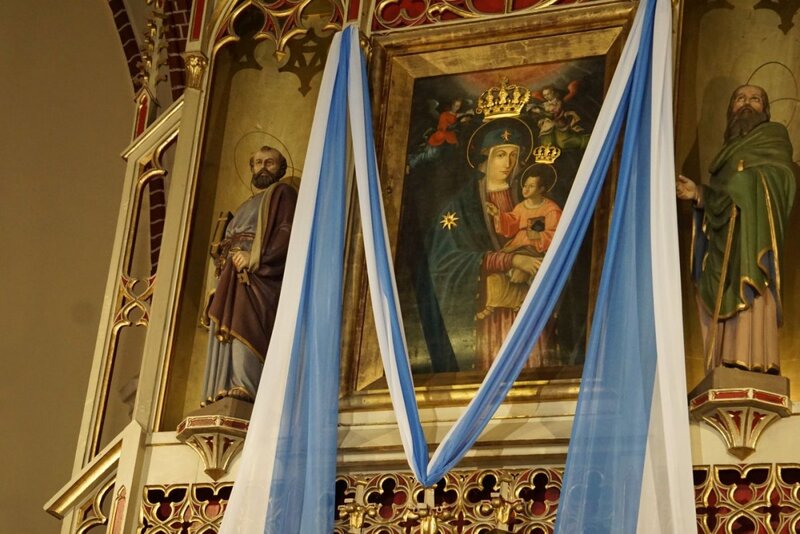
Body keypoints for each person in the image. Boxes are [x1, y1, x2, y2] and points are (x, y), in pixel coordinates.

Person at [676, 84, 797, 373]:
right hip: (724, 239)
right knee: (716, 286)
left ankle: (753, 361)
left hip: (755, 236)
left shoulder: (774, 136)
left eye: (755, 99)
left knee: (752, 287)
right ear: (730, 108)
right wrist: (700, 195)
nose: (746, 103)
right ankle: (722, 362)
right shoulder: (726, 151)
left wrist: (748, 185)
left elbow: (785, 178)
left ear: (765, 110)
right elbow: (721, 196)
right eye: (740, 98)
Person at [426, 118, 540, 371]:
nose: (508, 163)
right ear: (484, 158)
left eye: (514, 155)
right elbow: (445, 262)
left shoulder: (530, 201)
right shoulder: (461, 206)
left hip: (528, 307)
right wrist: (509, 260)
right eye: (501, 155)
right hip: (486, 314)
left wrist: (529, 261)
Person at [201, 146, 297, 404]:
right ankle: (223, 386)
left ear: (281, 169)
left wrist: (255, 259)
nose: (263, 167)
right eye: (257, 163)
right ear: (251, 167)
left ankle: (246, 384)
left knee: (245, 322)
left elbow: (287, 232)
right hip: (231, 274)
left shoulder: (283, 194)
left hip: (258, 276)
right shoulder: (245, 205)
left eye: (270, 163)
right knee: (226, 326)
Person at [481, 165, 562, 318]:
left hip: (536, 250)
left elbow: (555, 235)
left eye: (531, 186)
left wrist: (536, 236)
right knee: (500, 274)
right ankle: (497, 303)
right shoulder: (521, 207)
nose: (525, 189)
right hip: (517, 248)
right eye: (525, 185)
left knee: (534, 277)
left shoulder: (552, 210)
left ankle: (537, 307)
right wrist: (498, 214)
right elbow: (510, 225)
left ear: (542, 189)